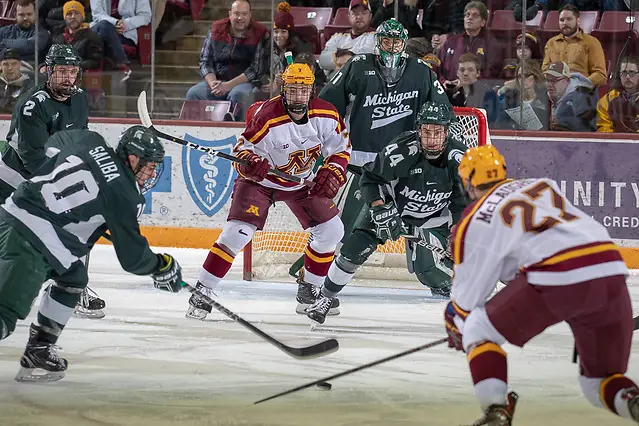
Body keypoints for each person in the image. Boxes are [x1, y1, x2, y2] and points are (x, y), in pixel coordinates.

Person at [444, 145, 638, 425]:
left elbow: (467, 299)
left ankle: (496, 413)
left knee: (478, 328)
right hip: (610, 268)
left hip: (558, 275)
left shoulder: (476, 215)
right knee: (600, 381)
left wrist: (456, 319)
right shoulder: (540, 185)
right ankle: (632, 399)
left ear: (469, 182)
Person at [0, 126, 183, 382]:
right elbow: (132, 257)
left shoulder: (89, 140)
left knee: (74, 278)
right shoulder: (124, 194)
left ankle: (40, 348)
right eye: (149, 166)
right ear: (132, 158)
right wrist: (160, 266)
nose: (151, 173)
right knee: (3, 315)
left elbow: (55, 142)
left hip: (13, 215)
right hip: (32, 239)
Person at [288, 19, 451, 282]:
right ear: (378, 42)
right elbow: (328, 107)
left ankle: (437, 277)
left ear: (404, 43)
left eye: (397, 42)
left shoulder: (421, 72)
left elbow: (443, 114)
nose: (392, 47)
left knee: (418, 222)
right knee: (341, 228)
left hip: (404, 168)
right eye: (387, 41)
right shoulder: (358, 66)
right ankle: (310, 276)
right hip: (360, 166)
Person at [185, 63, 351, 320]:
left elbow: (340, 148)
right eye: (293, 90)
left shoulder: (326, 114)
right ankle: (203, 290)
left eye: (303, 91)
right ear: (283, 90)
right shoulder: (267, 115)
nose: (298, 97)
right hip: (260, 183)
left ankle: (310, 290)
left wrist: (332, 171)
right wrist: (252, 164)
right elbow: (242, 150)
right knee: (236, 234)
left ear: (312, 91)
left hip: (300, 182)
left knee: (332, 230)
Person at [306, 101, 469, 325]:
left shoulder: (460, 158)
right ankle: (325, 298)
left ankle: (459, 291)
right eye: (426, 131)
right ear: (418, 129)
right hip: (393, 209)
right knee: (355, 250)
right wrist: (379, 207)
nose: (431, 139)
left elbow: (464, 202)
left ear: (447, 132)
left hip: (437, 215)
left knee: (447, 262)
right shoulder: (401, 150)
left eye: (438, 132)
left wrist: (457, 233)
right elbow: (370, 179)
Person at [0, 44, 107, 319]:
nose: (68, 77)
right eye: (61, 71)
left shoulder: (80, 98)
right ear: (47, 71)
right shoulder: (32, 104)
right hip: (12, 179)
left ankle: (75, 290)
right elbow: (31, 158)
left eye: (72, 71)